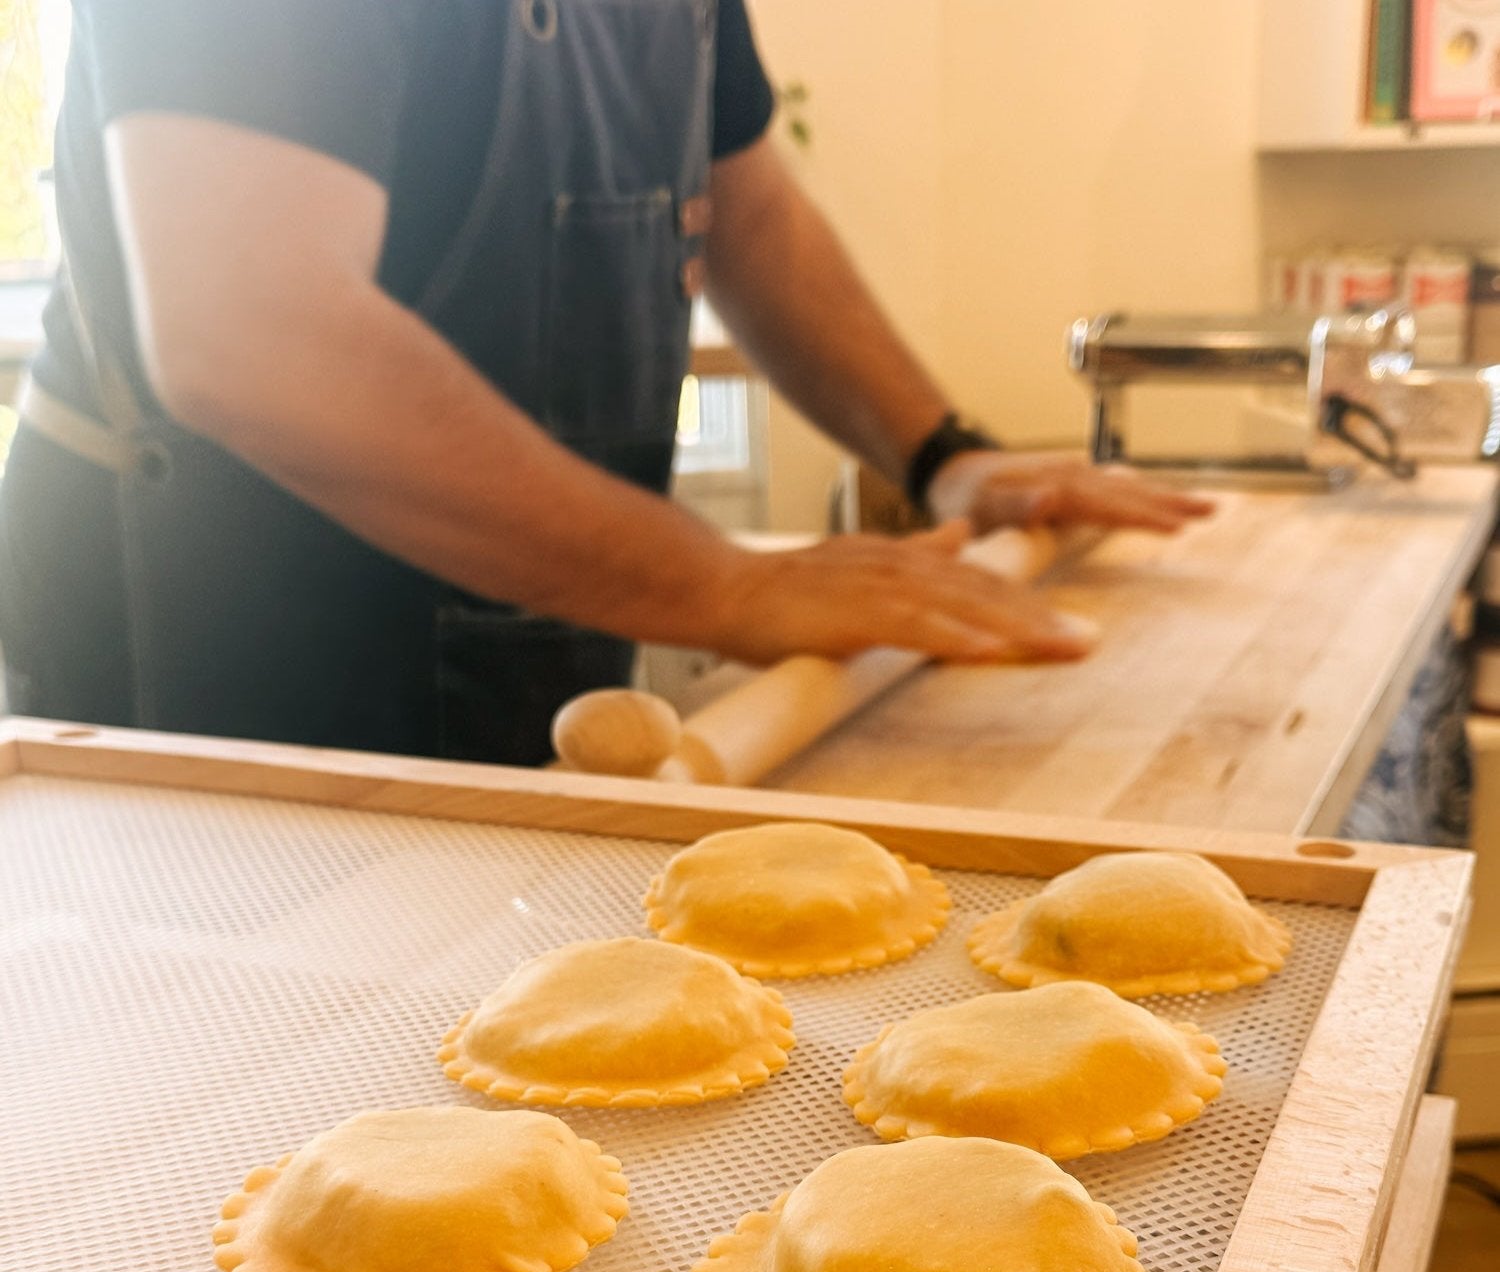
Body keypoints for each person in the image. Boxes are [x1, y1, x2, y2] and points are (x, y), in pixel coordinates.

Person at [0, 0, 1211, 766]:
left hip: (514, 654)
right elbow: (256, 332)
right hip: (224, 689)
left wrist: (945, 455)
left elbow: (749, 207)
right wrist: (721, 585)